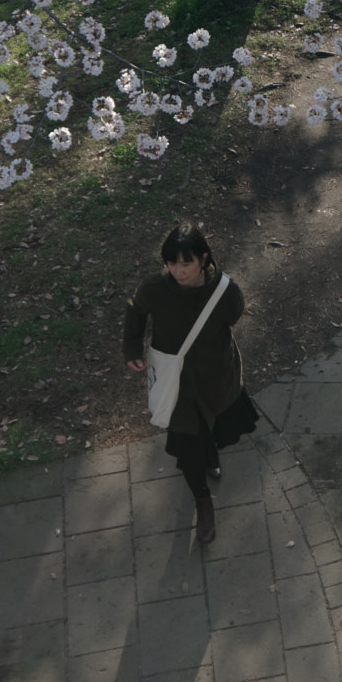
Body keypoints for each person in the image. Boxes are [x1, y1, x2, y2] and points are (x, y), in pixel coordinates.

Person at [123, 223, 258, 545]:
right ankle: (202, 500)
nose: (178, 271)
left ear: (204, 259)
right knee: (188, 446)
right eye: (172, 263)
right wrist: (131, 348)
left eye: (186, 263)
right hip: (178, 385)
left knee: (215, 430)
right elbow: (136, 310)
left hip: (216, 378)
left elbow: (232, 315)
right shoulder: (154, 288)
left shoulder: (225, 292)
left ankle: (211, 458)